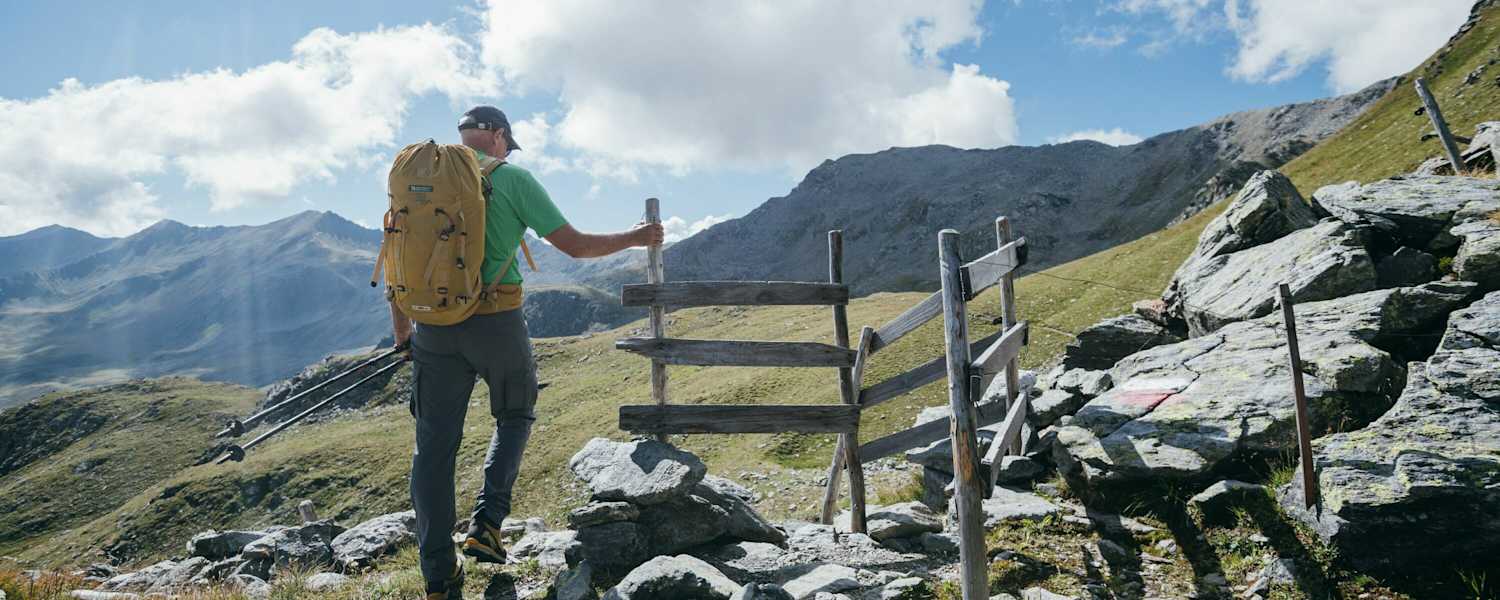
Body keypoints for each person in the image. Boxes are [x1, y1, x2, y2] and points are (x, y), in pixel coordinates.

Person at [390, 105, 664, 600]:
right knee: (514, 414)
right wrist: (639, 238)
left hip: (431, 325)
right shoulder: (512, 179)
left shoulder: (417, 180)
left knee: (432, 449)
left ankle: (438, 578)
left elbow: (396, 259)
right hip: (495, 321)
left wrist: (403, 333)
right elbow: (576, 247)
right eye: (505, 142)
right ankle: (488, 523)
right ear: (497, 136)